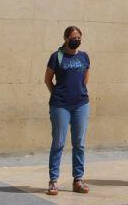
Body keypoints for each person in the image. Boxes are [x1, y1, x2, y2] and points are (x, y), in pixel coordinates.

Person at [44, 26, 91, 196]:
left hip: (81, 104)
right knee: (59, 142)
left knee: (79, 143)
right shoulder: (57, 56)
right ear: (65, 38)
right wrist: (57, 93)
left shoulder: (84, 56)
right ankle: (53, 180)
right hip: (60, 105)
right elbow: (48, 79)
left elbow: (85, 77)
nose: (76, 40)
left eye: (79, 37)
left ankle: (78, 179)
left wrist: (79, 92)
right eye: (73, 37)